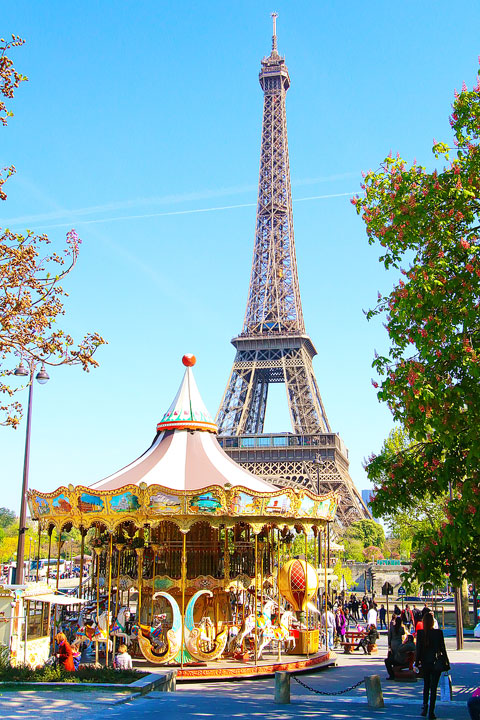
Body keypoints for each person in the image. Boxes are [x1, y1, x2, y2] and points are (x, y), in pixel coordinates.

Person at [416, 610, 450, 719]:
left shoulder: (421, 633)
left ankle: (424, 707)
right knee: (434, 688)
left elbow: (418, 650)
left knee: (426, 685)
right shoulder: (438, 633)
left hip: (426, 663)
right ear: (432, 623)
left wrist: (417, 663)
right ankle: (431, 711)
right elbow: (442, 649)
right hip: (436, 663)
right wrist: (446, 662)